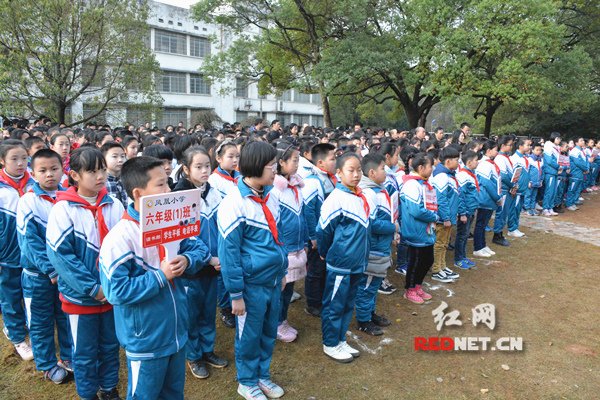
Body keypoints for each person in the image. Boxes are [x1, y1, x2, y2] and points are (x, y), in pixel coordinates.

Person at [98, 156, 206, 399]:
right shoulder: (120, 238)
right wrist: (161, 276)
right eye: (161, 185)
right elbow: (116, 291)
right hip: (145, 339)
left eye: (168, 183)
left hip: (176, 332)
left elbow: (199, 248)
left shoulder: (173, 219)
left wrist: (187, 260)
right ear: (138, 193)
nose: (169, 190)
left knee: (173, 393)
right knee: (144, 395)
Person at [46, 147, 123, 400]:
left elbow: (125, 247)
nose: (100, 176)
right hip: (81, 298)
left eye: (102, 169)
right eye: (91, 171)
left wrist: (112, 287)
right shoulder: (63, 209)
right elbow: (62, 258)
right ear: (75, 175)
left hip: (112, 294)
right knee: (84, 351)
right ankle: (88, 393)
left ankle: (109, 388)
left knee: (111, 346)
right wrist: (93, 289)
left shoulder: (115, 204)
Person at [218, 141, 287, 400]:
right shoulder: (234, 203)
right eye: (272, 166)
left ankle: (262, 375)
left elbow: (279, 237)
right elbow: (229, 254)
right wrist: (235, 293)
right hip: (250, 286)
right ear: (258, 167)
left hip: (272, 281)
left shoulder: (271, 195)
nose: (276, 171)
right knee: (248, 336)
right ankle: (246, 381)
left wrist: (281, 274)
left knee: (269, 332)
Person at [17, 149, 72, 383]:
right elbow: (30, 242)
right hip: (37, 276)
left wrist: (65, 269)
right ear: (33, 173)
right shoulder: (28, 201)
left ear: (63, 170)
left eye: (54, 169)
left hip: (65, 275)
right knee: (40, 322)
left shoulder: (68, 197)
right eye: (42, 170)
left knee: (66, 317)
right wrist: (50, 269)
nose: (49, 174)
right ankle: (48, 364)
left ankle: (69, 357)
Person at [172, 147, 226, 379]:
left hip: (213, 267)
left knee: (207, 311)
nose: (205, 171)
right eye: (198, 167)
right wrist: (207, 257)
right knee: (190, 315)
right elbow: (182, 238)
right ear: (186, 169)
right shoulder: (179, 196)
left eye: (207, 166)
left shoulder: (213, 192)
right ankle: (193, 356)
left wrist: (220, 256)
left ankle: (207, 350)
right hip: (191, 269)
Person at [317, 152, 370, 362]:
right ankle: (330, 343)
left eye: (359, 170)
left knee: (348, 304)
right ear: (338, 173)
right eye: (351, 170)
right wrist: (325, 252)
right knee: (334, 305)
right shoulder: (336, 198)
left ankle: (340, 339)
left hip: (357, 263)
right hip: (341, 264)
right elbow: (323, 231)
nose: (356, 174)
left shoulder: (359, 195)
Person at [0, 140, 35, 361]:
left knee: (30, 295)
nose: (21, 163)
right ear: (2, 161)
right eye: (14, 159)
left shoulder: (34, 181)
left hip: (31, 254)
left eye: (24, 158)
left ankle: (28, 327)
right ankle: (18, 338)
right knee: (10, 296)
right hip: (7, 254)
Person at [271, 142, 309, 343]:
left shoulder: (296, 186)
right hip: (284, 250)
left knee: (289, 290)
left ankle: (282, 320)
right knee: (279, 290)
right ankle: (275, 324)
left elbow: (301, 216)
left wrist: (305, 240)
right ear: (281, 163)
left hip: (296, 247)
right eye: (294, 161)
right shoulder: (275, 190)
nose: (297, 164)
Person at [356, 153, 396, 336]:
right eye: (382, 168)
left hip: (382, 247)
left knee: (374, 284)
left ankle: (370, 314)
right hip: (373, 249)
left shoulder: (378, 189)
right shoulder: (369, 193)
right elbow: (370, 224)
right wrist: (393, 227)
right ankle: (363, 321)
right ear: (371, 172)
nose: (386, 172)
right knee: (367, 286)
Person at [208, 140, 241, 329]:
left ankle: (236, 302)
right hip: (222, 230)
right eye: (230, 156)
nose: (235, 160)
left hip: (238, 229)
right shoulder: (214, 181)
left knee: (235, 266)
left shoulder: (240, 177)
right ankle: (226, 309)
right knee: (223, 270)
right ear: (218, 158)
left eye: (237, 156)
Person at [301, 143, 337, 318]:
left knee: (324, 266)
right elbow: (308, 209)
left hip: (327, 232)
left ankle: (322, 298)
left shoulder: (330, 177)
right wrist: (313, 236)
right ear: (321, 162)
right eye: (333, 158)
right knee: (315, 268)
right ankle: (313, 303)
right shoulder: (312, 180)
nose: (336, 161)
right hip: (317, 234)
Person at [400, 152, 438, 304]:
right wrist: (434, 217)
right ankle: (409, 290)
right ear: (421, 167)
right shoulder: (411, 184)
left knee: (428, 260)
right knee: (416, 262)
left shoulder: (424, 183)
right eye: (431, 166)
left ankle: (418, 286)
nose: (433, 169)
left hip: (426, 230)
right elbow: (416, 210)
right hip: (416, 231)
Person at [371, 142, 399, 294]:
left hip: (387, 228)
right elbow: (374, 222)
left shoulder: (388, 178)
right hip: (379, 236)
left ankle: (381, 278)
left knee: (384, 255)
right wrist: (393, 228)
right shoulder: (379, 186)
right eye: (396, 155)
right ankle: (380, 280)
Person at [473, 140, 501, 258]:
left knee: (484, 223)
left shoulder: (490, 163)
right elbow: (486, 183)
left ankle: (482, 245)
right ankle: (478, 247)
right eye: (495, 150)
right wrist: (496, 197)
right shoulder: (484, 164)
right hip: (485, 198)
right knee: (480, 223)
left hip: (489, 200)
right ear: (488, 150)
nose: (497, 152)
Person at [454, 150, 479, 269]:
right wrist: (462, 213)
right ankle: (458, 259)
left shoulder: (471, 174)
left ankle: (463, 257)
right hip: (466, 211)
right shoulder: (463, 176)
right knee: (461, 235)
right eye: (476, 160)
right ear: (469, 162)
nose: (478, 162)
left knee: (465, 235)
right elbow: (461, 196)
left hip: (471, 210)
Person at [491, 135, 515, 247]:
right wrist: (512, 184)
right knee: (501, 213)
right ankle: (497, 234)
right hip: (504, 189)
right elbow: (503, 175)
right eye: (509, 145)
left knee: (505, 212)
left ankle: (500, 233)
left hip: (508, 188)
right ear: (503, 145)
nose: (511, 147)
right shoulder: (500, 158)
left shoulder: (506, 157)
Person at [507, 138, 531, 237]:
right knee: (514, 208)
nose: (529, 147)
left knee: (518, 208)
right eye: (527, 145)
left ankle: (515, 227)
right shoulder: (515, 158)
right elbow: (513, 174)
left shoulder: (525, 158)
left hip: (522, 189)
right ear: (520, 146)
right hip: (517, 188)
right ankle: (512, 229)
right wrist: (514, 186)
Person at [100, 142, 128, 208]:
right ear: (103, 159)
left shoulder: (127, 179)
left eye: (122, 156)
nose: (120, 160)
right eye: (114, 156)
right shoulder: (101, 182)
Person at [566, 137, 590, 211]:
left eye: (583, 141)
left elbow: (586, 160)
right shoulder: (574, 151)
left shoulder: (583, 151)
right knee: (572, 189)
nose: (583, 142)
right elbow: (578, 162)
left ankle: (573, 202)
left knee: (577, 189)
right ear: (576, 143)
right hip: (575, 173)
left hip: (580, 173)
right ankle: (569, 204)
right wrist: (585, 169)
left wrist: (587, 168)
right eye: (581, 141)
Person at [542, 132, 562, 216]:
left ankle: (550, 207)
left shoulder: (556, 147)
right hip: (550, 172)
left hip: (555, 172)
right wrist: (559, 166)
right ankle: (545, 208)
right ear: (554, 138)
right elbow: (550, 160)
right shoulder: (549, 147)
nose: (560, 140)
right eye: (558, 138)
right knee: (549, 191)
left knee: (553, 191)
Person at [525, 142, 544, 215]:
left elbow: (542, 171)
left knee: (534, 196)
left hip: (538, 181)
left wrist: (541, 180)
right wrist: (528, 181)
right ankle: (527, 208)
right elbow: (527, 171)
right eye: (537, 150)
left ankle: (533, 208)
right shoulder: (529, 159)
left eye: (540, 150)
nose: (538, 152)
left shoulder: (541, 160)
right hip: (531, 181)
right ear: (532, 150)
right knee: (528, 195)